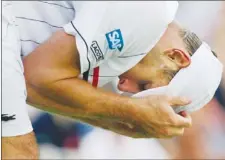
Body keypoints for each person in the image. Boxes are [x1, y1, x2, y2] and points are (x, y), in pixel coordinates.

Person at [2, 1, 221, 159]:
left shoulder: (129, 48)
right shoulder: (149, 12)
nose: (122, 86)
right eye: (144, 86)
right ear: (175, 57)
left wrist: (123, 125)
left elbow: (35, 90)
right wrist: (130, 112)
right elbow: (33, 78)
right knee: (19, 152)